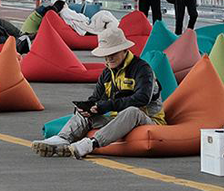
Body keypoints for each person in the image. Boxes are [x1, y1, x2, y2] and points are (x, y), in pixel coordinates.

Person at [32, 26, 165, 159]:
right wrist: (89, 108)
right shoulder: (106, 73)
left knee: (132, 111)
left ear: (125, 50)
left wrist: (106, 106)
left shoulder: (142, 69)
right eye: (106, 55)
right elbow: (96, 98)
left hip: (149, 120)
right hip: (117, 120)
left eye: (112, 54)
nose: (108, 59)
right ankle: (62, 139)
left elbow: (142, 98)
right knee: (83, 114)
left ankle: (91, 144)